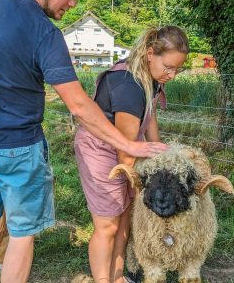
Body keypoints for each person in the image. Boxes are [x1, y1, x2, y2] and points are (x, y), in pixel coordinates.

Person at [0, 0, 168, 283]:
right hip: (17, 148)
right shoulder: (43, 31)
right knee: (22, 234)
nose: (71, 4)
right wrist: (135, 146)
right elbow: (80, 106)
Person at [74, 26, 189, 283]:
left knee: (126, 216)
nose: (172, 74)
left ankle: (117, 277)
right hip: (100, 149)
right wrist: (147, 185)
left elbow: (150, 121)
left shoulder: (151, 78)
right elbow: (125, 157)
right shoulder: (129, 87)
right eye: (168, 67)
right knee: (108, 224)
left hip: (126, 145)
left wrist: (162, 159)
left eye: (177, 69)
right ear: (150, 53)